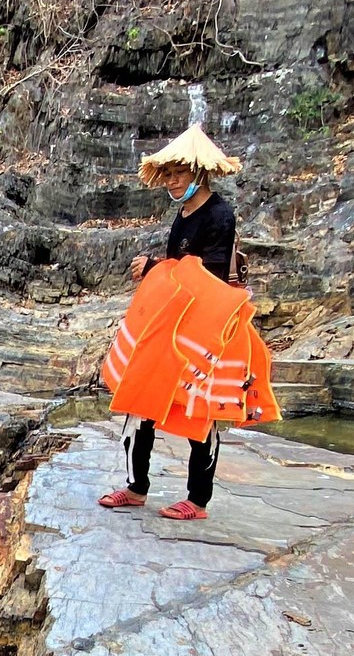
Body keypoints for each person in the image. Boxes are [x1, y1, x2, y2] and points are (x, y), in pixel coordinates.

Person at [98, 124, 257, 521]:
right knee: (141, 398)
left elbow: (211, 275)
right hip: (175, 321)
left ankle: (198, 500)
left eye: (178, 173)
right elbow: (180, 270)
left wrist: (157, 267)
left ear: (198, 173)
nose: (171, 181)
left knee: (202, 408)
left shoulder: (219, 215)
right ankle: (136, 487)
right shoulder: (183, 215)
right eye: (167, 174)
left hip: (207, 325)